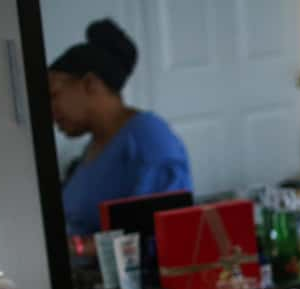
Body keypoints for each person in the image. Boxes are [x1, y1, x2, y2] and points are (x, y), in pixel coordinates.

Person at [48, 19, 192, 237]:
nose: (50, 111)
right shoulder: (96, 146)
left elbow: (165, 233)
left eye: (54, 95)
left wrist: (82, 249)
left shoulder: (148, 138)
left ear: (90, 84)